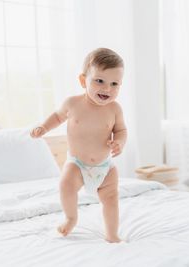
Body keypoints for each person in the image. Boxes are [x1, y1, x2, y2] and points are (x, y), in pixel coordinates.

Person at [30, 48, 127, 243]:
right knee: (65, 185)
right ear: (83, 81)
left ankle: (112, 234)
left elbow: (121, 131)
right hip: (78, 164)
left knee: (111, 199)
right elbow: (57, 116)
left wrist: (119, 143)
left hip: (104, 167)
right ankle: (71, 218)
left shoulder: (114, 109)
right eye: (99, 80)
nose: (107, 88)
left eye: (114, 83)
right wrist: (43, 127)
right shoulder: (73, 104)